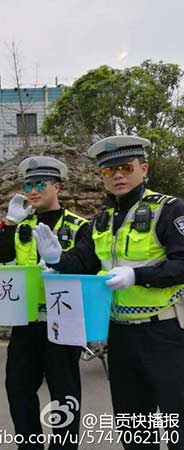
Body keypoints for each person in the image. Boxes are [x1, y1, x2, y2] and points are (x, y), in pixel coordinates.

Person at [33, 136, 184, 450]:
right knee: (133, 426)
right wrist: (56, 259)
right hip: (119, 335)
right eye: (108, 171)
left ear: (144, 169)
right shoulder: (102, 220)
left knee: (177, 421)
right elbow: (84, 261)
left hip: (165, 333)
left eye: (126, 167)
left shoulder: (168, 210)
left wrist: (137, 275)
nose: (117, 175)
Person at [0, 156, 89, 449]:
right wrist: (8, 223)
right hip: (26, 321)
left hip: (62, 322)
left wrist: (59, 262)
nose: (33, 190)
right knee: (18, 388)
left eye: (40, 184)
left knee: (64, 393)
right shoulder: (21, 224)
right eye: (28, 184)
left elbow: (87, 263)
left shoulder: (79, 226)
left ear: (57, 186)